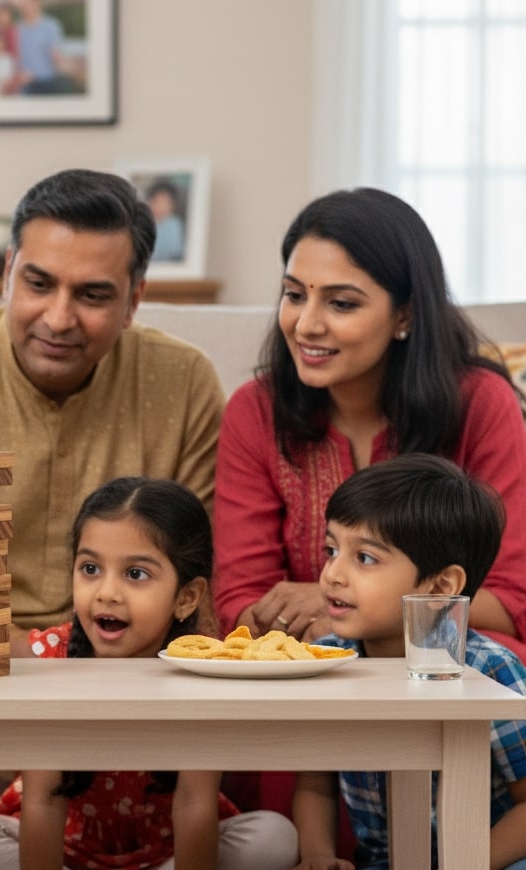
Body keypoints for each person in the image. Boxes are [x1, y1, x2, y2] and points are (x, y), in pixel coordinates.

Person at [0, 168, 225, 655]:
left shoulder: (184, 384)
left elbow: (199, 566)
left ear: (134, 300)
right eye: (39, 284)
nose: (58, 319)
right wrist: (33, 654)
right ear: (8, 273)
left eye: (92, 295)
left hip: (128, 668)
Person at [0, 478, 298, 870]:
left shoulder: (205, 669)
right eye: (90, 569)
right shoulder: (53, 662)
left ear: (186, 597)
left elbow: (196, 805)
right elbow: (43, 800)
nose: (106, 592)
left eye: (135, 573)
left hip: (163, 859)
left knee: (276, 839)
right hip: (64, 856)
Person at [213, 187, 526, 662]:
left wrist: (341, 601)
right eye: (294, 295)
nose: (305, 325)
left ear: (406, 313)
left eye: (341, 304)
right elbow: (241, 602)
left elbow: (511, 602)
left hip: (453, 665)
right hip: (303, 667)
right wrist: (331, 634)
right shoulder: (255, 411)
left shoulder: (481, 403)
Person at [270, 453, 526, 870]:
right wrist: (315, 855)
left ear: (440, 585)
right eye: (331, 549)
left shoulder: (486, 667)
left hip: (493, 864)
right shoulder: (329, 660)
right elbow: (315, 782)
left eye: (365, 558)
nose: (332, 573)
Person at [147, 180, 186, 262]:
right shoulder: (145, 223)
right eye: (156, 202)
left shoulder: (175, 224)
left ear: (172, 205)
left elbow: (177, 251)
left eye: (165, 203)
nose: (160, 207)